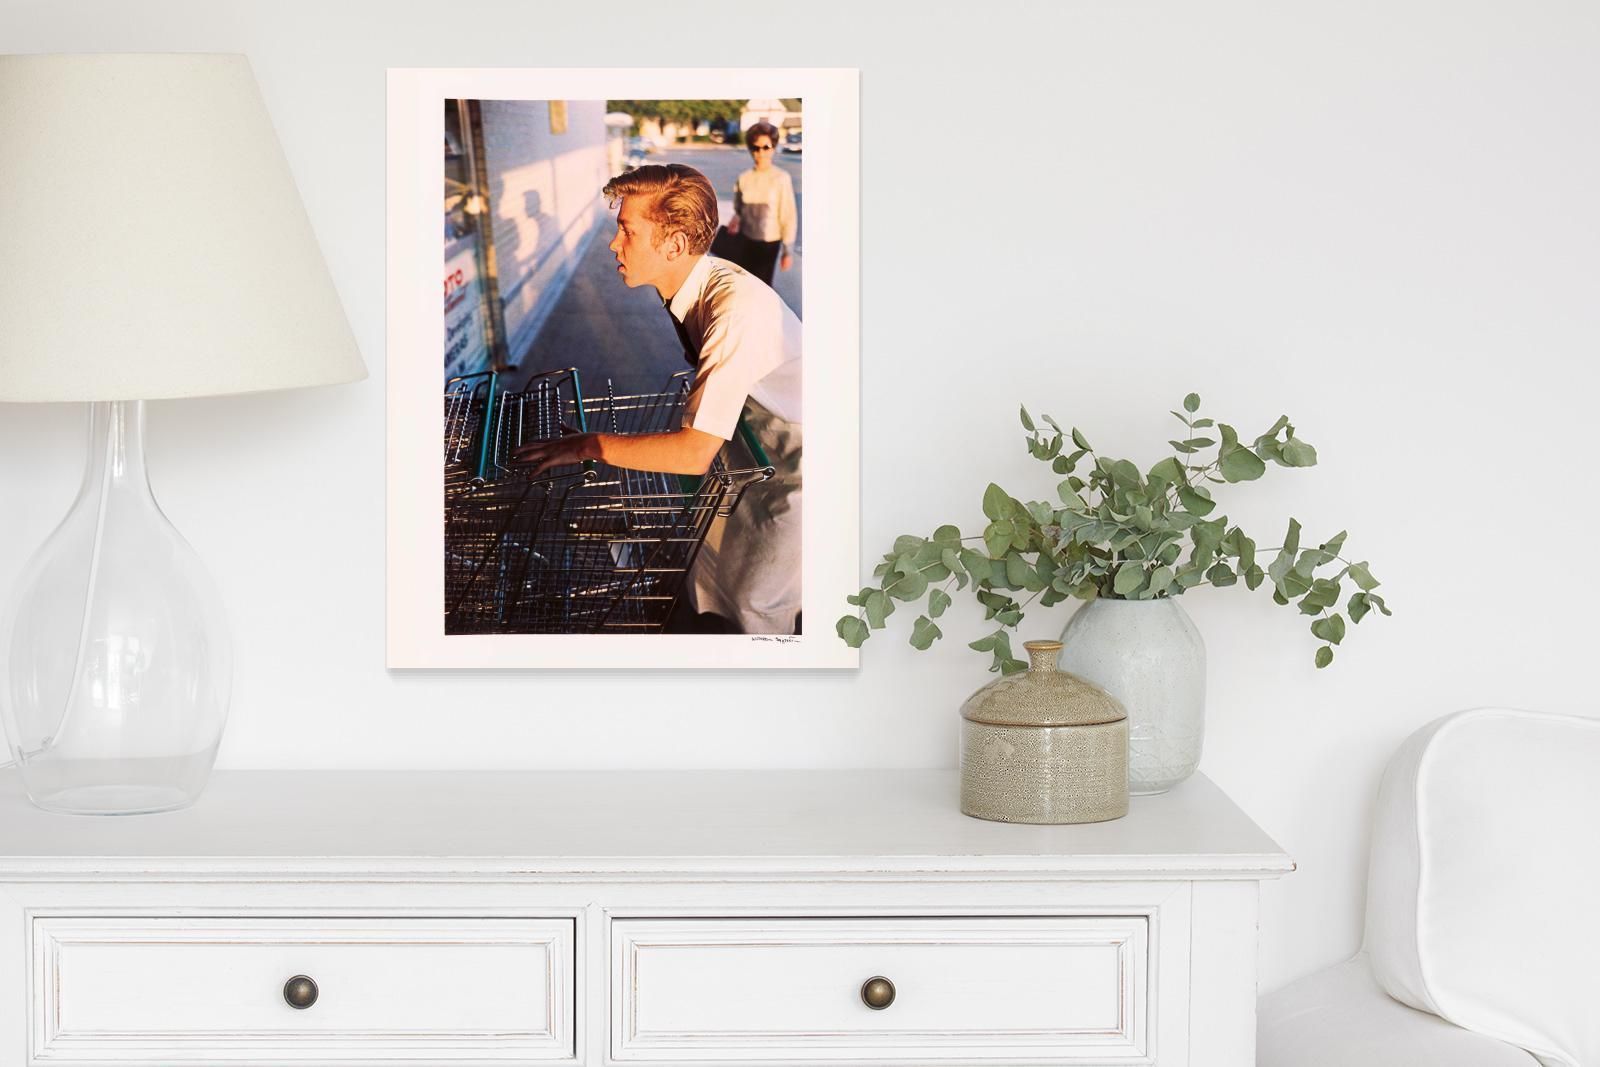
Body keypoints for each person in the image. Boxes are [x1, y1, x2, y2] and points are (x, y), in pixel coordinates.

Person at [510, 164, 802, 635]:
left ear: (675, 244)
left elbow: (692, 452)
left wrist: (588, 445)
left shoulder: (734, 313)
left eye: (627, 231)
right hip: (756, 438)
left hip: (798, 459)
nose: (614, 243)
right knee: (712, 571)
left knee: (756, 601)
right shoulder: (690, 287)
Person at [725, 121, 797, 286]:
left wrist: (787, 251)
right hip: (745, 240)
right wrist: (736, 219)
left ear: (774, 147)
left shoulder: (781, 178)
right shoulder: (744, 178)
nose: (761, 153)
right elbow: (739, 208)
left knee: (762, 287)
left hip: (769, 243)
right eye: (755, 148)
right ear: (750, 149)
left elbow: (788, 215)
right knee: (744, 286)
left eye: (766, 147)